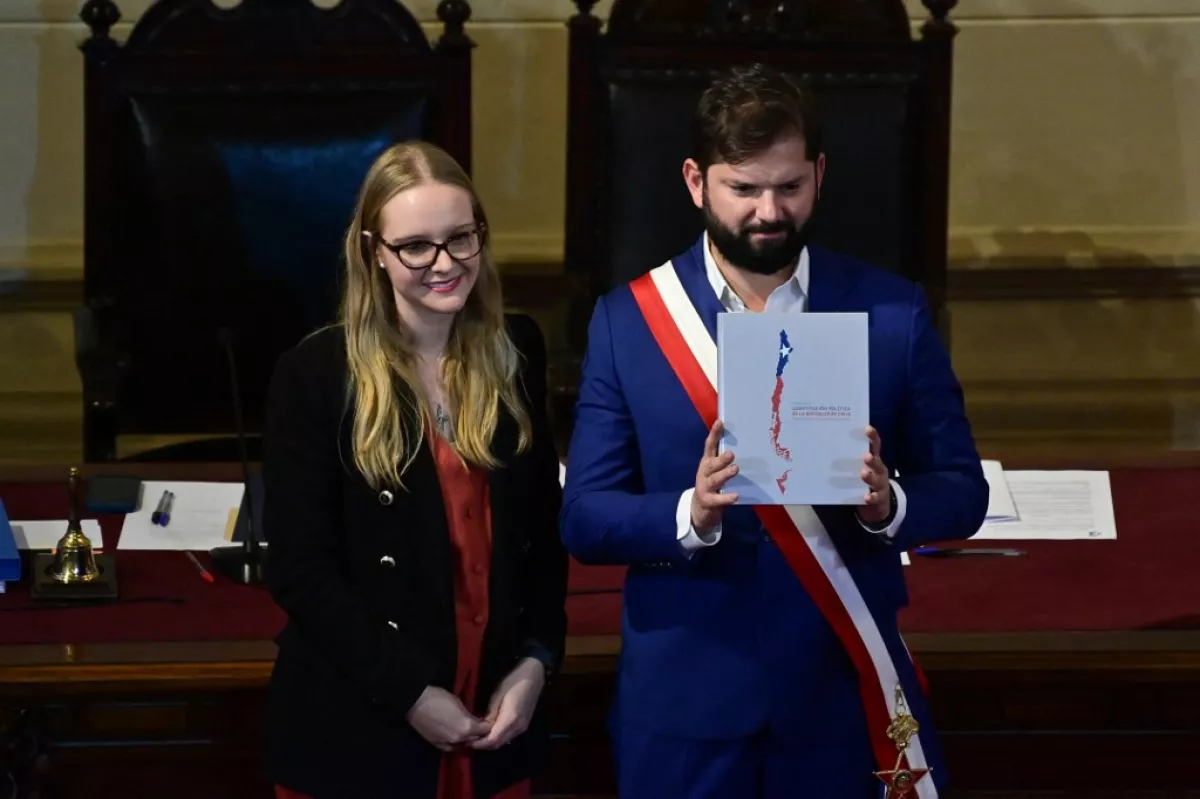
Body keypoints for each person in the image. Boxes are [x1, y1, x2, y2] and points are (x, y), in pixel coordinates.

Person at [560, 63, 988, 798]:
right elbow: (586, 516)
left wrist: (890, 505)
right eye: (744, 189)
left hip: (836, 695)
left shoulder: (891, 314)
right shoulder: (628, 321)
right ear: (696, 182)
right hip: (685, 703)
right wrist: (688, 513)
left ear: (819, 176)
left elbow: (962, 490)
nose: (769, 211)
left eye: (789, 187)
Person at [261, 141, 568, 799]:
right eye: (416, 246)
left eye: (461, 238)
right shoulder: (316, 375)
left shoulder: (516, 350)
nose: (444, 263)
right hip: (364, 722)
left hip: (493, 717)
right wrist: (408, 692)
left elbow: (543, 537)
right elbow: (298, 569)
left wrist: (536, 663)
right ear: (374, 248)